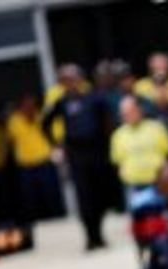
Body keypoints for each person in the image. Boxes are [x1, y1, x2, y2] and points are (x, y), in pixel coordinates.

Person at [42, 64, 112, 250]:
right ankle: (90, 237)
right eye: (65, 80)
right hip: (76, 154)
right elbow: (45, 123)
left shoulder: (94, 98)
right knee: (84, 197)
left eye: (72, 79)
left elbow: (107, 121)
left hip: (96, 152)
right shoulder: (62, 102)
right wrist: (56, 145)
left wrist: (105, 144)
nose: (69, 83)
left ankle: (99, 233)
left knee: (100, 195)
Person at [7, 94, 64, 221]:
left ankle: (56, 217)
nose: (30, 107)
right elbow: (11, 140)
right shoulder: (14, 120)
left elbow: (54, 134)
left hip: (44, 160)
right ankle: (33, 220)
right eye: (26, 104)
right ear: (20, 106)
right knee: (29, 196)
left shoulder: (41, 116)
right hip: (26, 164)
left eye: (32, 104)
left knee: (51, 193)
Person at [110, 95, 168, 210]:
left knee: (162, 217)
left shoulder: (156, 128)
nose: (128, 115)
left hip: (158, 184)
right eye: (124, 113)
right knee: (140, 221)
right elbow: (117, 161)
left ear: (139, 110)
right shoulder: (118, 135)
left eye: (131, 111)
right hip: (133, 186)